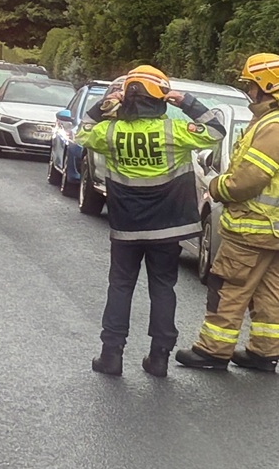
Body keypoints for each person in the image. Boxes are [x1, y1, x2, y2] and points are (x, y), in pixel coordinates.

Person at [76, 64, 225, 377]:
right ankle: (159, 359)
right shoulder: (174, 131)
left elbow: (82, 132)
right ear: (160, 97)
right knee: (162, 288)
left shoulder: (111, 132)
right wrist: (185, 101)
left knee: (120, 286)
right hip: (169, 227)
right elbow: (216, 132)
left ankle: (111, 356)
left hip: (127, 226)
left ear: (127, 97)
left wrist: (103, 106)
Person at [176, 53, 279, 372]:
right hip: (272, 232)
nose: (249, 92)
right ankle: (264, 353)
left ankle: (212, 351)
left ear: (267, 86)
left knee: (228, 288)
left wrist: (218, 186)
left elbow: (250, 178)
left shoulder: (271, 126)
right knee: (270, 293)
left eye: (251, 85)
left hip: (253, 227)